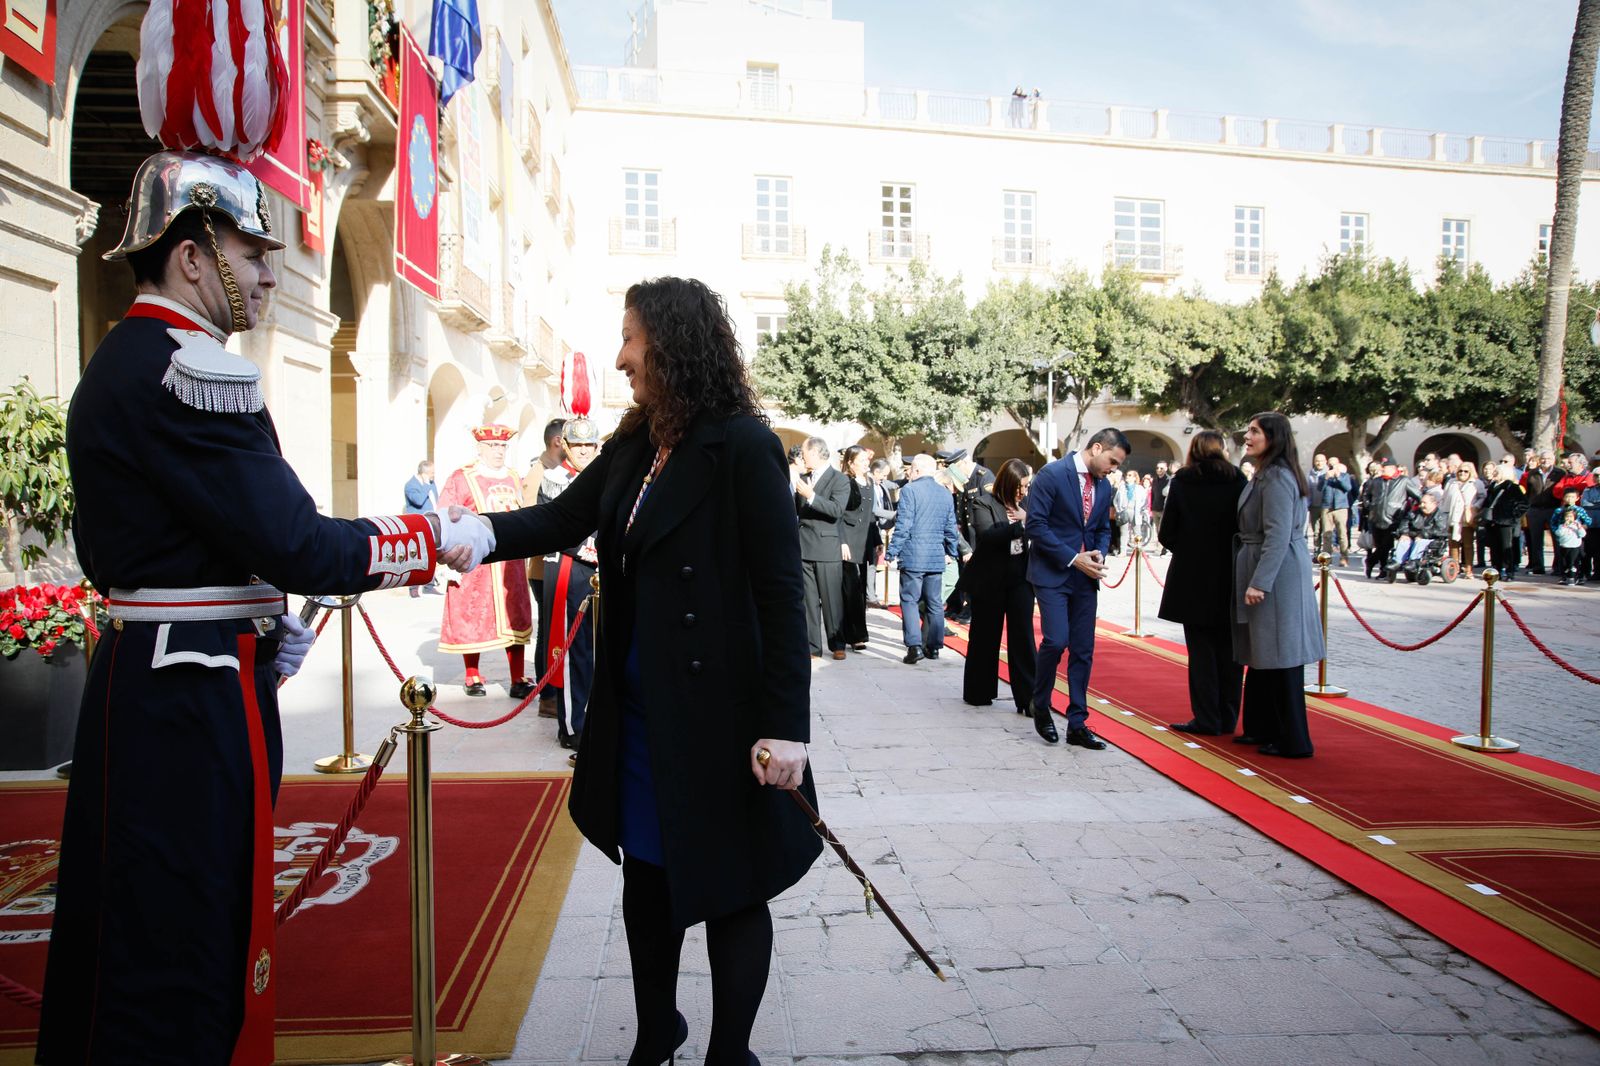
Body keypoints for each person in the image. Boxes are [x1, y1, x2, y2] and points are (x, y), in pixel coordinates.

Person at [40, 149, 488, 1065]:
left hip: (163, 673)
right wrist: (429, 535)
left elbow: (160, 548)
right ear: (190, 256)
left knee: (146, 925)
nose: (268, 274)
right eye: (250, 254)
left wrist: (243, 610)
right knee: (188, 945)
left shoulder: (128, 359)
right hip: (187, 701)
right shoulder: (189, 369)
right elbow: (296, 542)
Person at [465, 276, 819, 1066]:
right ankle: (658, 1029)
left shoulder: (744, 446)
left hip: (721, 719)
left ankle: (731, 1053)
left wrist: (786, 728)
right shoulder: (635, 442)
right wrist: (471, 534)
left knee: (733, 890)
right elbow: (560, 518)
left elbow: (780, 595)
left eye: (631, 338)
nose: (621, 356)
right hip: (635, 716)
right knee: (647, 878)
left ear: (673, 343)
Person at [1025, 428, 1130, 750]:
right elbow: (1035, 526)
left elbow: (1102, 528)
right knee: (1056, 640)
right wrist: (1073, 558)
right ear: (1096, 448)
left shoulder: (1104, 485)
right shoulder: (1052, 474)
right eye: (1112, 461)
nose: (1114, 468)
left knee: (1083, 650)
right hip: (1053, 573)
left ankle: (1078, 723)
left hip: (1086, 578)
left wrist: (1099, 553)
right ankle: (1040, 703)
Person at [1232, 412, 1324, 759]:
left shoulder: (1278, 477)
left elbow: (1277, 535)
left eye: (1255, 431)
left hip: (1277, 574)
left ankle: (1293, 739)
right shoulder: (1267, 473)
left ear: (1273, 438)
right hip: (1266, 566)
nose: (1248, 436)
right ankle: (1263, 727)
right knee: (1263, 652)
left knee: (1282, 654)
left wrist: (1260, 582)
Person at [1158, 431, 1247, 736]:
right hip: (1230, 572)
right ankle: (1228, 716)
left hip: (1192, 575)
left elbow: (1166, 533)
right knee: (1230, 652)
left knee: (1201, 653)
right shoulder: (1237, 478)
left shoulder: (1184, 480)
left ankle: (1206, 717)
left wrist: (1188, 548)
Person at [438, 424, 536, 698]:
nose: (498, 451)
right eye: (493, 446)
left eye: (502, 446)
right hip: (476, 561)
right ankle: (472, 675)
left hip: (510, 562)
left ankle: (517, 677)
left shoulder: (514, 476)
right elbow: (446, 514)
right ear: (480, 448)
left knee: (515, 616)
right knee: (472, 616)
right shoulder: (462, 477)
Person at [537, 416, 602, 755]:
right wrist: (587, 550)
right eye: (577, 445)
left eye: (589, 445)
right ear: (564, 445)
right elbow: (550, 526)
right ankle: (573, 725)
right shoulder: (552, 480)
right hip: (568, 568)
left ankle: (597, 721)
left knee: (598, 650)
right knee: (571, 650)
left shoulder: (606, 474)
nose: (584, 451)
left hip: (602, 570)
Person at [961, 458, 1037, 712]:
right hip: (990, 580)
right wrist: (1020, 525)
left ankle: (1028, 699)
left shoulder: (1027, 505)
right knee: (984, 636)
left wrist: (1028, 520)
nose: (1023, 491)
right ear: (1007, 483)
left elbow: (1042, 528)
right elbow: (988, 535)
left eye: (1026, 486)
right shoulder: (983, 502)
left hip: (1020, 579)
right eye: (1020, 486)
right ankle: (979, 691)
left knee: (1023, 638)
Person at [886, 454, 967, 664]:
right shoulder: (944, 493)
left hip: (913, 555)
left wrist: (891, 551)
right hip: (935, 556)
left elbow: (903, 525)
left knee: (909, 600)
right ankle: (934, 647)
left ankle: (914, 646)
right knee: (934, 602)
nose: (909, 474)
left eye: (911, 470)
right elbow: (951, 528)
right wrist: (951, 552)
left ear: (917, 470)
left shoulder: (910, 490)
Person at [524, 417, 567, 718]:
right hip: (545, 567)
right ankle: (547, 695)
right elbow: (532, 520)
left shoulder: (559, 470)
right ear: (558, 442)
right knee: (548, 632)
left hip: (565, 564)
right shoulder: (538, 474)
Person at [795, 436, 850, 659]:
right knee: (808, 600)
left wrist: (811, 496)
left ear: (815, 453)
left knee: (831, 599)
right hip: (804, 546)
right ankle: (812, 647)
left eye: (804, 453)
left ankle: (837, 644)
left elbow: (837, 510)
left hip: (826, 546)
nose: (802, 457)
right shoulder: (803, 478)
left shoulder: (839, 479)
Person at [836, 445, 875, 649]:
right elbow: (839, 515)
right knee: (850, 589)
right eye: (861, 460)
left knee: (861, 590)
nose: (866, 464)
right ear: (850, 463)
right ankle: (853, 636)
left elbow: (870, 514)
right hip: (848, 541)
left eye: (866, 460)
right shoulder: (844, 482)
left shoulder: (869, 482)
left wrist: (876, 541)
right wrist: (842, 541)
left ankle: (858, 633)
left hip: (864, 542)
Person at [404, 459, 444, 597]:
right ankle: (413, 588)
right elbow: (419, 501)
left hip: (432, 523)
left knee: (431, 555)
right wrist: (426, 485)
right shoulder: (411, 485)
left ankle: (429, 585)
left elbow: (436, 500)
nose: (433, 475)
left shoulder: (432, 483)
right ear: (424, 473)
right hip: (417, 524)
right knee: (416, 555)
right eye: (431, 473)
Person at [1482, 465, 1527, 581]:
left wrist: (1513, 515)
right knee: (1494, 547)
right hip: (1492, 521)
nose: (1494, 473)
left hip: (1505, 521)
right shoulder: (1492, 486)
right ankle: (1496, 569)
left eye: (1497, 472)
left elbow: (1524, 504)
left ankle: (1508, 570)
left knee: (1506, 547)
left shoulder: (1512, 487)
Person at [1391, 493, 1448, 576]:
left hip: (1431, 540)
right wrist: (1404, 533)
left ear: (1433, 504)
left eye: (1424, 503)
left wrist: (1422, 535)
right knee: (1404, 540)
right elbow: (1404, 523)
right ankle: (1397, 562)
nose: (1421, 505)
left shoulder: (1441, 516)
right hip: (1414, 537)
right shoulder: (1414, 513)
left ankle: (1414, 561)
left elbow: (1440, 530)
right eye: (1421, 503)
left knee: (1420, 541)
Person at [1551, 488, 1592, 585]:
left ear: (1577, 498)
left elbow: (1588, 520)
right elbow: (1553, 523)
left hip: (1576, 538)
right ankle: (1565, 576)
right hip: (1563, 538)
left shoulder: (1580, 510)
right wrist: (1557, 531)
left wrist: (1582, 527)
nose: (1569, 499)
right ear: (1563, 498)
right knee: (1563, 558)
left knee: (1579, 557)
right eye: (1567, 497)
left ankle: (1580, 576)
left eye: (1572, 497)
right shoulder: (1559, 510)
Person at [1150, 461, 1171, 554]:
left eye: (1161, 468)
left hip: (1164, 509)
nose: (1159, 470)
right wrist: (1151, 507)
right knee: (1157, 530)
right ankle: (1163, 548)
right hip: (1155, 508)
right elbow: (1153, 494)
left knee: (1162, 530)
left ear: (1166, 468)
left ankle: (1159, 549)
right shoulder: (1155, 480)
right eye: (1157, 468)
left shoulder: (1169, 480)